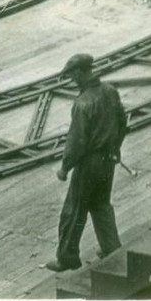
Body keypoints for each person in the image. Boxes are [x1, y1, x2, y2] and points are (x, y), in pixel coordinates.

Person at [46, 52, 127, 272]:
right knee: (101, 205)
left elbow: (76, 142)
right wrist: (115, 148)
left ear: (82, 72)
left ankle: (67, 258)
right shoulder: (110, 91)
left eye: (72, 74)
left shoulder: (83, 103)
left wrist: (65, 167)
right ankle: (112, 248)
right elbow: (122, 122)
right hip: (108, 160)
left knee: (73, 210)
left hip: (89, 164)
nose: (71, 79)